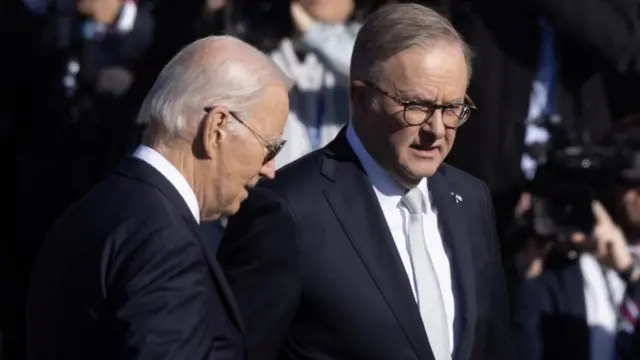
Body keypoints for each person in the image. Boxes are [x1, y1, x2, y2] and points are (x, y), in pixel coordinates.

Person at [218, 4, 515, 360]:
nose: (436, 131)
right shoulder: (288, 211)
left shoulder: (470, 199)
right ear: (361, 99)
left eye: (452, 109)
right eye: (416, 106)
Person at [26, 35, 291, 360]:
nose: (270, 169)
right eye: (270, 147)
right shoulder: (163, 241)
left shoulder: (95, 209)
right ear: (217, 128)